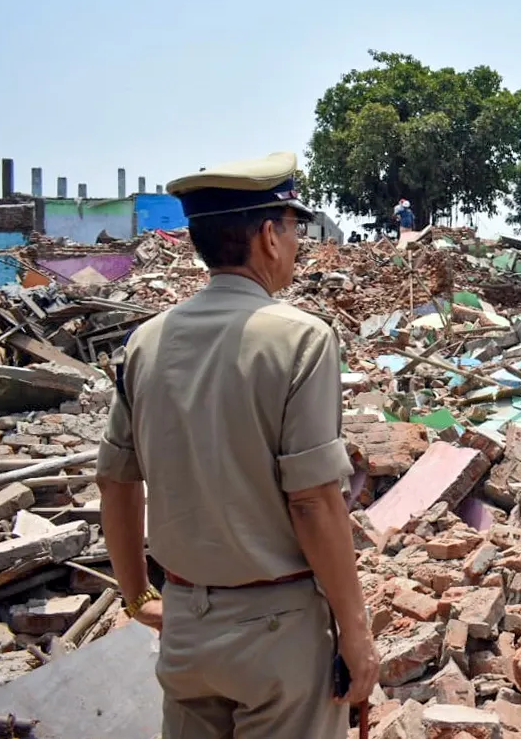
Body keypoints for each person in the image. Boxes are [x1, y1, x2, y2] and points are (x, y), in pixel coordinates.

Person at [96, 151, 379, 739]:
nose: (299, 244)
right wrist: (356, 636)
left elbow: (116, 480)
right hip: (277, 637)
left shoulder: (146, 343)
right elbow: (312, 501)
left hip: (184, 632)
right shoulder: (301, 339)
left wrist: (134, 597)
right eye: (295, 228)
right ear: (269, 237)